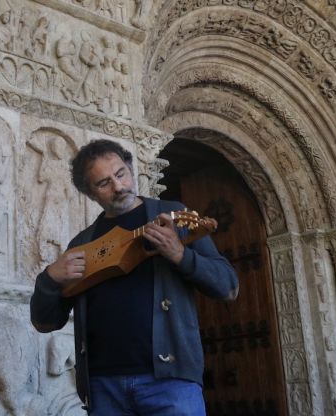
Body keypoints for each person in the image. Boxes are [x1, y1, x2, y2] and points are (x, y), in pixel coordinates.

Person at [30, 139, 238, 415]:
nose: (118, 186)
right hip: (103, 386)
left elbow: (228, 286)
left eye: (120, 174)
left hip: (170, 381)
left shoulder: (172, 215)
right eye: (103, 183)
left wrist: (179, 254)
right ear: (89, 194)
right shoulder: (83, 243)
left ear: (130, 168)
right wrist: (49, 278)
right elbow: (45, 322)